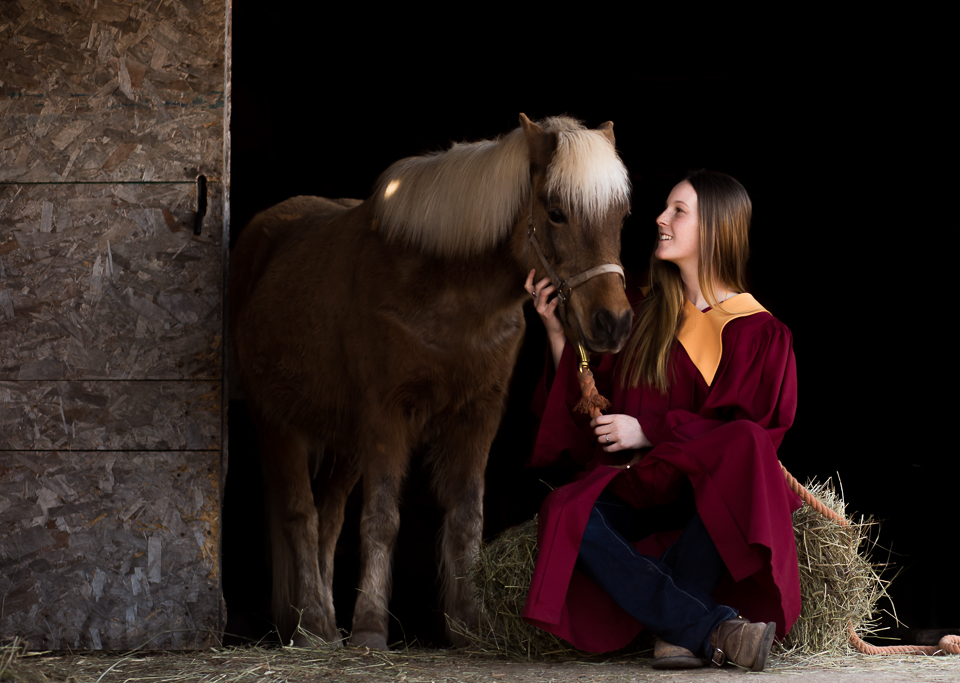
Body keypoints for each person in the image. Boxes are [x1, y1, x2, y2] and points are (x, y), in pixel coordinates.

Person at [521, 170, 800, 671]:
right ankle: (703, 627)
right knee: (564, 506)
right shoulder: (644, 312)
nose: (660, 219)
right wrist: (558, 334)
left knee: (745, 443)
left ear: (715, 229)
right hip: (640, 486)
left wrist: (650, 431)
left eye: (678, 211)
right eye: (665, 208)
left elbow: (753, 440)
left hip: (704, 503)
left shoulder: (759, 333)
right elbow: (594, 404)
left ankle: (681, 623)